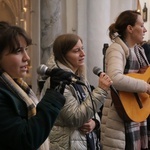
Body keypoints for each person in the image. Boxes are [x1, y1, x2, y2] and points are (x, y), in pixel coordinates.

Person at [0, 21, 71, 150]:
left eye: (26, 49)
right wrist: (53, 96)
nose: (26, 57)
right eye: (18, 51)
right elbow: (26, 139)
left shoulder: (19, 87)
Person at [40, 33, 112, 150]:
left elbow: (90, 107)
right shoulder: (58, 81)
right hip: (66, 144)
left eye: (82, 49)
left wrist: (94, 122)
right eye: (76, 51)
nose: (83, 54)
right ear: (63, 55)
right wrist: (101, 91)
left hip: (83, 141)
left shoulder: (78, 76)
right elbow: (75, 117)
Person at [101, 10, 150, 150]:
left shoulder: (138, 50)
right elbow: (114, 79)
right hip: (120, 115)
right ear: (130, 28)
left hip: (136, 110)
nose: (145, 29)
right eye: (141, 26)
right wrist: (145, 87)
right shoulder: (116, 49)